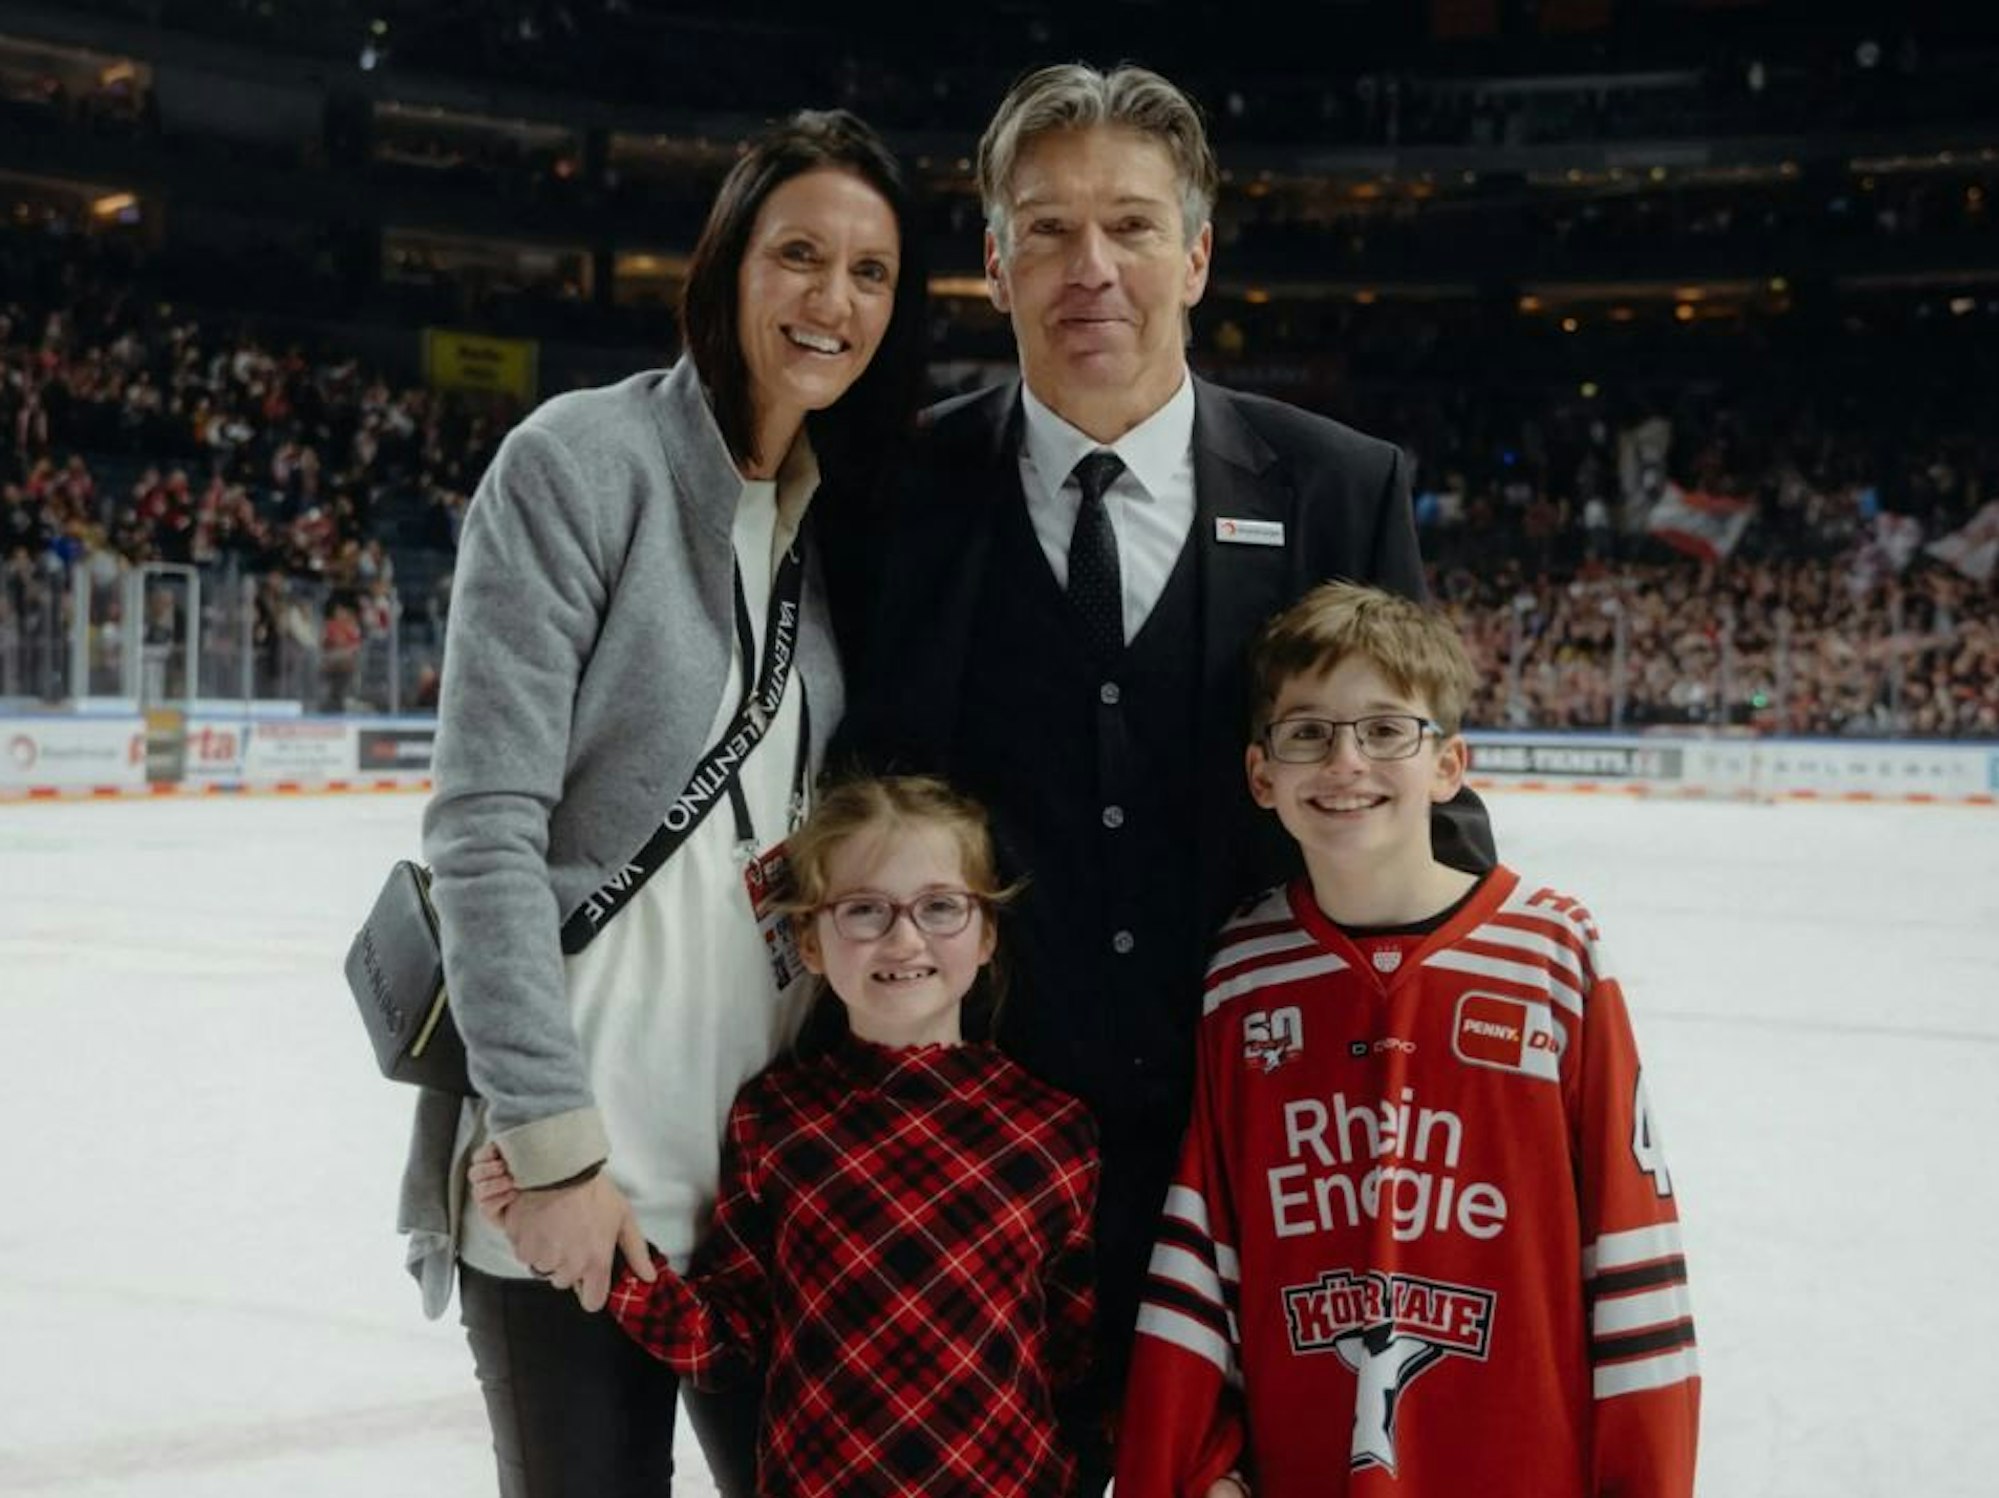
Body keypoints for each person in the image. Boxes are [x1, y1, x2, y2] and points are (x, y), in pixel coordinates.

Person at [829, 61, 1496, 1482]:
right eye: (1047, 230)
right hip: (976, 1184)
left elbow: (1421, 795)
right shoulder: (891, 493)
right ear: (994, 263)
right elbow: (840, 792)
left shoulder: (1335, 486)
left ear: (1194, 254)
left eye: (1130, 226)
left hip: (1266, 1161)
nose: (1091, 270)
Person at [400, 109, 928, 1498]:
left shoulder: (821, 533)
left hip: (758, 1198)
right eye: (798, 254)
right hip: (578, 1188)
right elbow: (481, 823)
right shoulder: (579, 465)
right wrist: (554, 1150)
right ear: (727, 266)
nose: (831, 300)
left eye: (869, 273)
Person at [1114, 582, 1699, 1498]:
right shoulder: (1245, 968)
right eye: (1307, 732)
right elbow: (1206, 1231)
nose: (1345, 761)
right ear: (1261, 775)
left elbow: (1631, 1250)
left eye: (1386, 730)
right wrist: (1196, 1463)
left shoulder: (1551, 951)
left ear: (1448, 764)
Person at [468, 775, 1100, 1496]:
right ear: (809, 941)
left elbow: (1074, 1361)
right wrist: (587, 1243)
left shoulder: (1051, 1131)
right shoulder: (776, 1121)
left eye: (940, 908)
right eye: (863, 910)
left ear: (986, 932)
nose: (903, 936)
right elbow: (728, 1341)